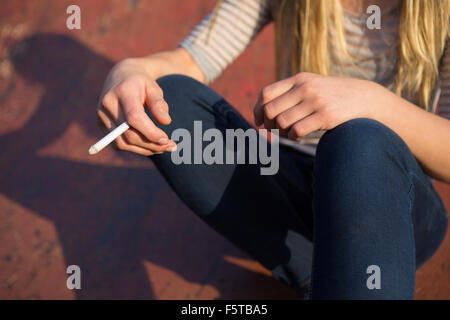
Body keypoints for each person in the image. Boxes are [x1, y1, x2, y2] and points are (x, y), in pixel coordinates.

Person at [96, 0, 450, 299]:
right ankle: (320, 267)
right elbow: (187, 61)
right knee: (170, 101)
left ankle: (349, 267)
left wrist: (372, 102)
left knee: (359, 141)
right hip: (298, 184)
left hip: (391, 201)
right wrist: (127, 73)